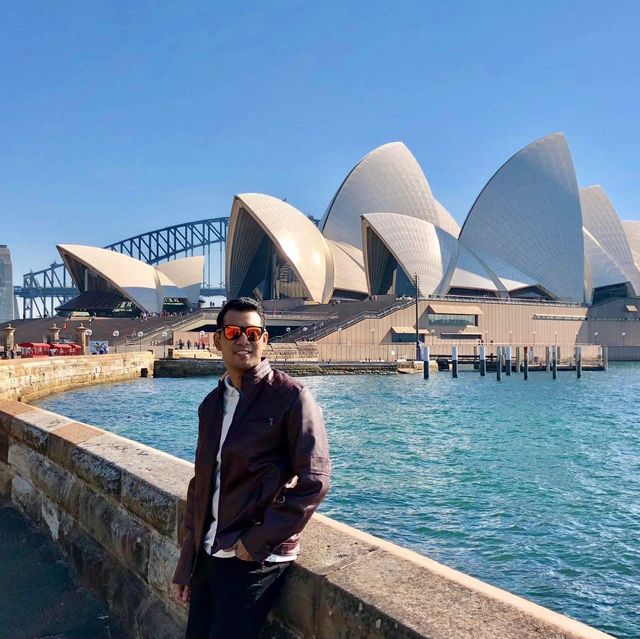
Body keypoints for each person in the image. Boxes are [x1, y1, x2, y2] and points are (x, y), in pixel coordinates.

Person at [172, 297, 331, 639]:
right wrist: (188, 562)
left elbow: (315, 480)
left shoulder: (291, 396)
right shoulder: (211, 405)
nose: (244, 339)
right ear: (217, 340)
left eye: (253, 332)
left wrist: (258, 540)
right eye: (233, 331)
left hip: (253, 560)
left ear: (265, 340)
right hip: (211, 553)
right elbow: (201, 485)